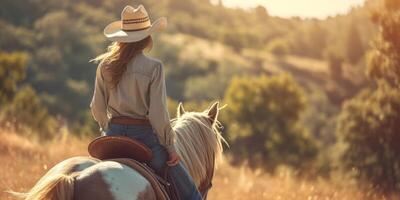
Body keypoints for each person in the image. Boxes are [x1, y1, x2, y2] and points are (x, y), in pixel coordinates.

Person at [90, 5, 202, 200]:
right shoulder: (154, 68)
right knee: (191, 195)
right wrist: (170, 148)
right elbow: (158, 114)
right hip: (144, 138)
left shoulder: (105, 66)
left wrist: (105, 129)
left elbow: (97, 108)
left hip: (113, 135)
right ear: (147, 38)